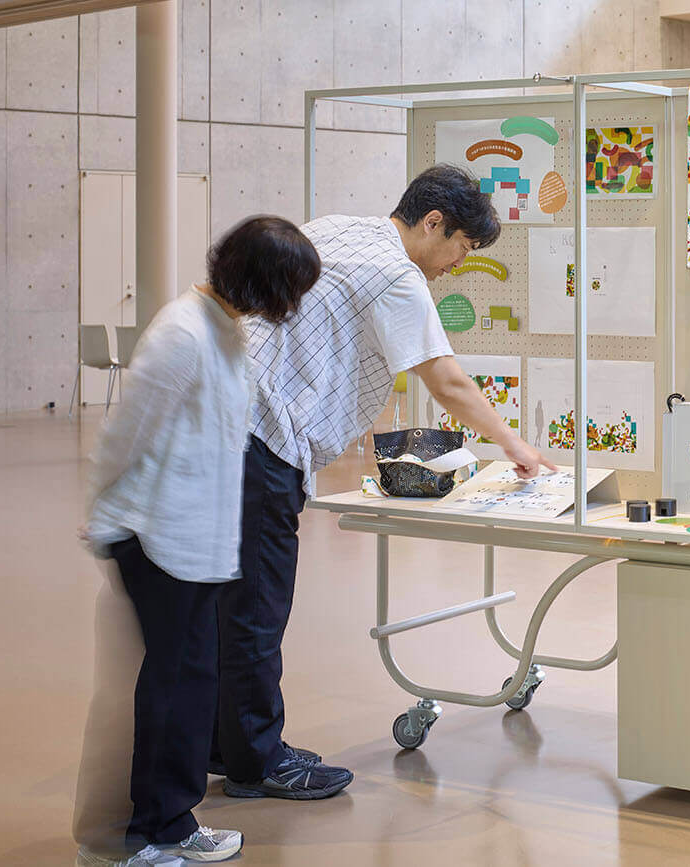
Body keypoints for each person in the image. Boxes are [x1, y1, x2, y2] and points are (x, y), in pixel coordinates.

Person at [210, 164, 555, 800]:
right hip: (263, 442)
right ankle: (256, 762)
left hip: (224, 421)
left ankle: (225, 740)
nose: (457, 263)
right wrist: (515, 445)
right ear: (432, 223)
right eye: (461, 246)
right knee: (258, 609)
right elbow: (445, 380)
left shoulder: (338, 230)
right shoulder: (398, 273)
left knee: (228, 601)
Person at [79, 217, 321, 865]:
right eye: (289, 290)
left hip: (196, 543)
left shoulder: (225, 327)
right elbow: (122, 436)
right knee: (173, 692)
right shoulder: (182, 334)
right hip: (156, 540)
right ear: (264, 281)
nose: (290, 307)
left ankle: (170, 824)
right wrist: (105, 517)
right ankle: (143, 837)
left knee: (189, 687)